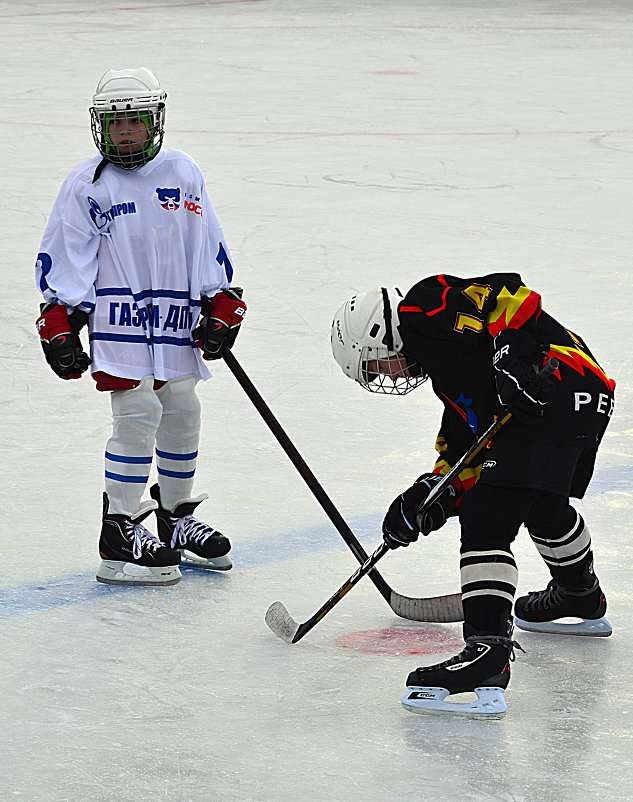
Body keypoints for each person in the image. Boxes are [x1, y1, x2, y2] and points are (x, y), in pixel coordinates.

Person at [331, 274, 615, 717]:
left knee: (488, 514)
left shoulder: (423, 309)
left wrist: (513, 359)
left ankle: (486, 653)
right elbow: (468, 448)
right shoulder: (452, 376)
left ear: (378, 335)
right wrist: (432, 496)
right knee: (542, 505)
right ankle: (580, 593)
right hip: (585, 396)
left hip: (555, 377)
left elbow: (508, 293)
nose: (387, 375)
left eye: (377, 365)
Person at [35, 68, 247, 587]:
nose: (125, 133)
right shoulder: (88, 185)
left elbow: (205, 239)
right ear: (100, 128)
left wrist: (219, 299)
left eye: (135, 121)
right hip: (119, 317)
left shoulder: (183, 171)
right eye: (115, 124)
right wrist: (61, 320)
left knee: (182, 407)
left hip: (174, 315)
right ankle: (120, 533)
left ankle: (176, 521)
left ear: (155, 122)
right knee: (137, 414)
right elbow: (67, 256)